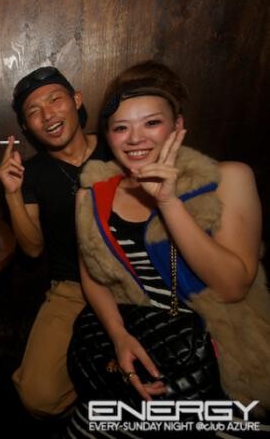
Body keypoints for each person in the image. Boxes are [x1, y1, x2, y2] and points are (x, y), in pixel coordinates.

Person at [69, 60, 270, 434]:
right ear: (108, 136)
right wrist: (119, 336)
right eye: (121, 128)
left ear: (177, 126)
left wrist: (168, 203)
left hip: (224, 359)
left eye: (151, 123)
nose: (135, 138)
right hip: (148, 349)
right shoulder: (92, 196)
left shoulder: (228, 179)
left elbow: (233, 287)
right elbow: (93, 277)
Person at [0, 66, 111, 417]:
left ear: (76, 100)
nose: (47, 115)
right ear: (26, 127)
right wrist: (12, 194)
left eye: (55, 100)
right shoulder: (31, 173)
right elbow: (32, 249)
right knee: (38, 395)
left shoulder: (117, 145)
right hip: (73, 287)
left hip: (136, 277)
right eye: (34, 111)